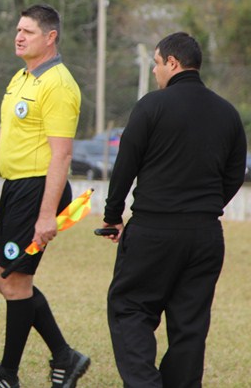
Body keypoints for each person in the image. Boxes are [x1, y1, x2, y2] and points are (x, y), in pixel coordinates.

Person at [0, 4, 89, 388]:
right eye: (17, 29)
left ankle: (7, 375)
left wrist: (47, 215)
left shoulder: (59, 85)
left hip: (38, 189)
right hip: (16, 188)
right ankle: (64, 355)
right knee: (5, 277)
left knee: (13, 280)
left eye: (28, 31)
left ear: (50, 37)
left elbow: (61, 154)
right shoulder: (22, 78)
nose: (19, 36)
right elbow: (6, 136)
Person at [100, 32, 246, 387]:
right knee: (190, 325)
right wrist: (204, 207)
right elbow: (234, 175)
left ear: (172, 63)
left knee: (130, 308)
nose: (154, 70)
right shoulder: (228, 113)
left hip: (153, 229)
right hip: (205, 235)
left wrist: (112, 215)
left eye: (156, 62)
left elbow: (126, 166)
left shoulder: (151, 106)